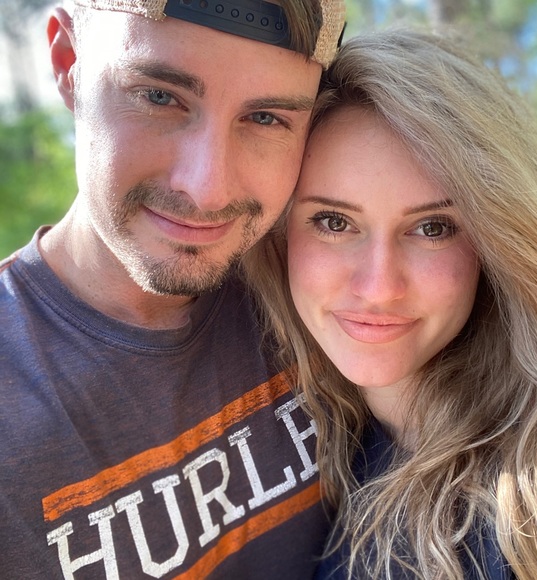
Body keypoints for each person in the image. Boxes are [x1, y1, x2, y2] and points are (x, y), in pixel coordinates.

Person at [0, 0, 346, 577]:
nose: (207, 190)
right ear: (67, 61)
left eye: (266, 118)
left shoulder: (336, 296)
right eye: (160, 96)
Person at [243, 27, 537, 579]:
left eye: (432, 227)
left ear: (497, 240)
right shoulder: (334, 438)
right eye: (334, 222)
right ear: (280, 237)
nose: (379, 287)